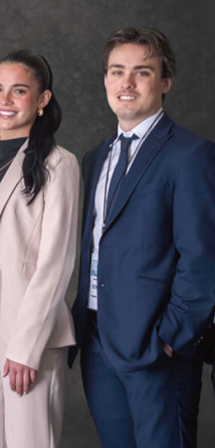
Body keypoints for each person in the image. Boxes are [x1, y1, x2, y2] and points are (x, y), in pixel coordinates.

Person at [69, 27, 215, 448]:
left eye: (142, 72)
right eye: (117, 71)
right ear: (106, 81)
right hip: (98, 342)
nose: (126, 83)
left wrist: (171, 337)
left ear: (165, 81)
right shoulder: (95, 157)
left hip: (157, 349)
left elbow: (202, 259)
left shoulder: (191, 154)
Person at [0, 50, 79, 448]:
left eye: (18, 91)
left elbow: (56, 262)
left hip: (27, 330)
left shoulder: (60, 164)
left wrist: (27, 346)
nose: (4, 100)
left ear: (42, 99)